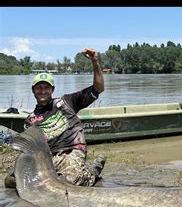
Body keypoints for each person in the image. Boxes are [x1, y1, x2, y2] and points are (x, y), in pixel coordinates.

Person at [4, 48, 106, 188]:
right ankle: (57, 176)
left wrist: (95, 62)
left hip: (72, 151)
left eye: (47, 87)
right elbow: (32, 150)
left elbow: (98, 88)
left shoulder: (67, 102)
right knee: (12, 181)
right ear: (33, 90)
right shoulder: (30, 121)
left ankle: (93, 171)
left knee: (70, 182)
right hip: (48, 158)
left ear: (52, 89)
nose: (43, 91)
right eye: (39, 88)